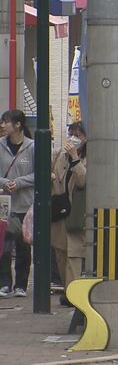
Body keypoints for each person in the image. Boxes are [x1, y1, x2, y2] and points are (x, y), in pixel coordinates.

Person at [51, 122, 88, 306]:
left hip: (77, 212)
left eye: (78, 135)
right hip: (59, 208)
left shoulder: (88, 157)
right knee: (60, 251)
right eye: (71, 134)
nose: (73, 139)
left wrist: (75, 158)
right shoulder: (59, 155)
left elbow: (83, 181)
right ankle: (68, 290)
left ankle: (73, 294)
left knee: (74, 254)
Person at [0, 110, 34, 299]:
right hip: (4, 204)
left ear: (18, 124)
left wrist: (19, 182)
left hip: (24, 205)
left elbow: (40, 173)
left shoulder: (32, 146)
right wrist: (6, 183)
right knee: (3, 247)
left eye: (6, 122)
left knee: (23, 246)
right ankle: (4, 284)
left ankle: (21, 285)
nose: (3, 125)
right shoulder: (0, 145)